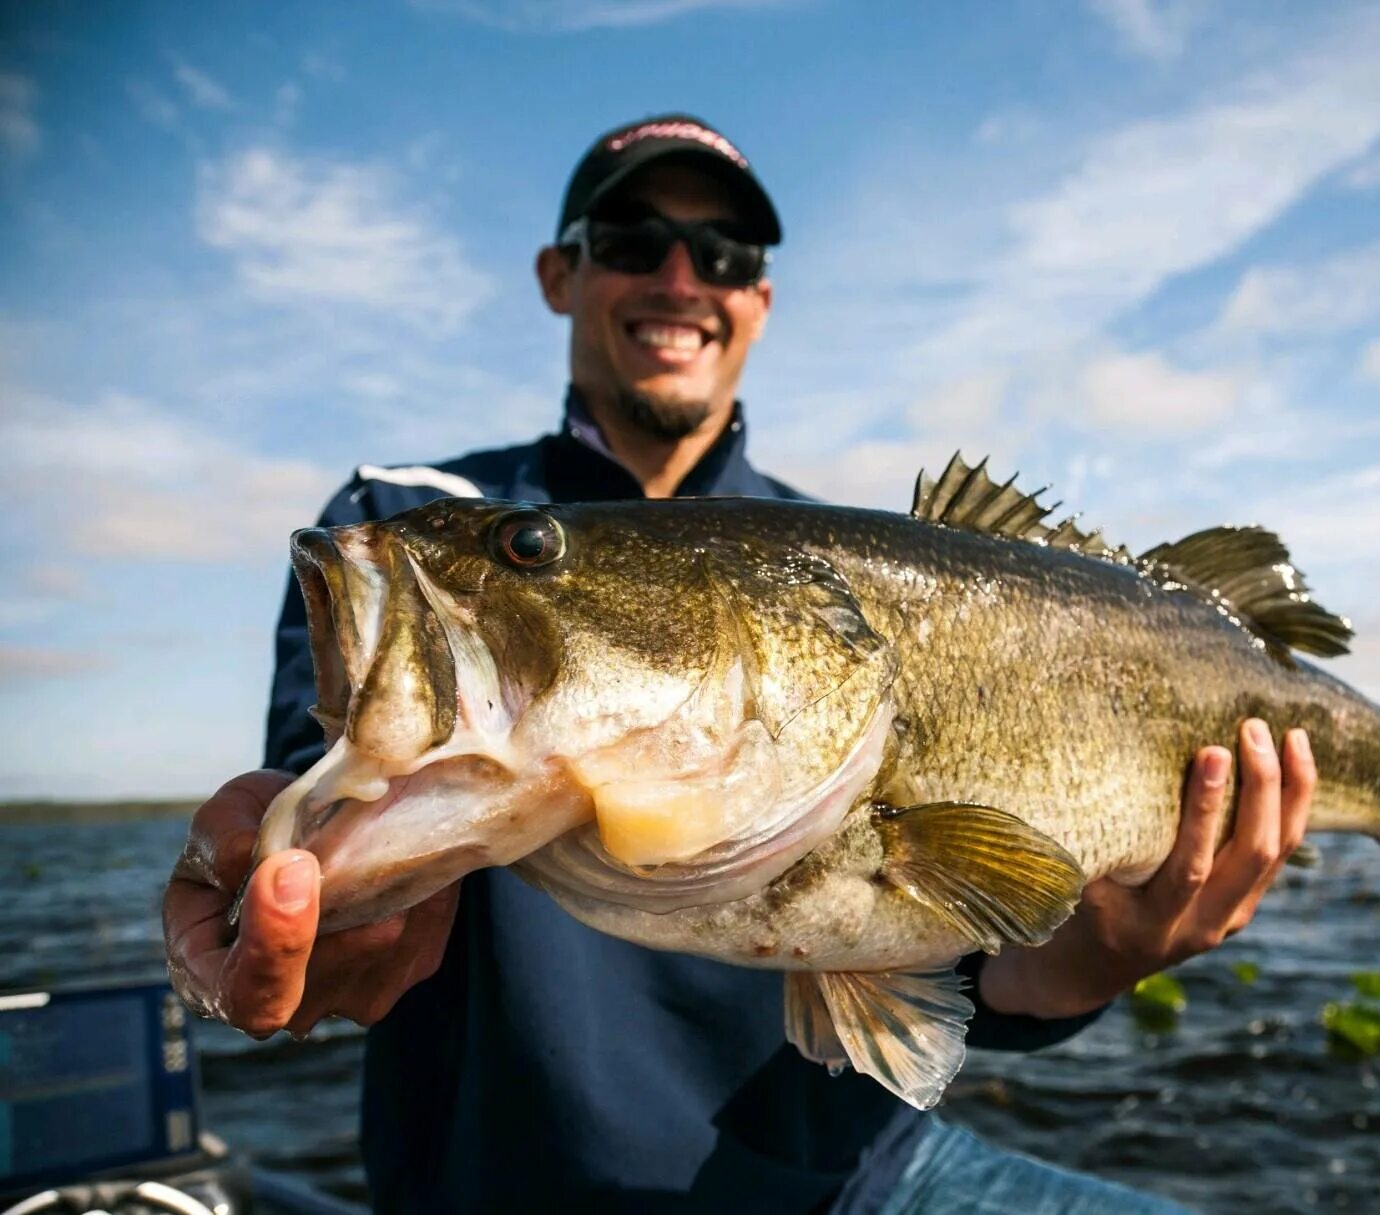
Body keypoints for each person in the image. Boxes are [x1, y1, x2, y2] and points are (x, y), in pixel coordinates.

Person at [163, 114, 1318, 1214]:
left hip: (862, 1180)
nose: (678, 279)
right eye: (629, 243)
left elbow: (968, 974)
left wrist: (1095, 958)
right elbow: (332, 808)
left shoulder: (842, 553)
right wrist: (324, 903)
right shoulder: (407, 518)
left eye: (721, 253)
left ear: (757, 300)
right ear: (558, 277)